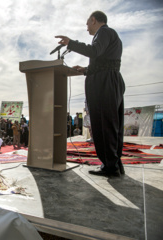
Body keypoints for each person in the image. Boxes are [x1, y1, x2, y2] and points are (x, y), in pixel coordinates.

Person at [56, 11, 125, 177]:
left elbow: (94, 52)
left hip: (105, 83)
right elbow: (105, 61)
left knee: (104, 124)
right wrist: (87, 70)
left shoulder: (105, 32)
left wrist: (71, 43)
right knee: (110, 124)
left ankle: (110, 167)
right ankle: (114, 163)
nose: (87, 27)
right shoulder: (107, 34)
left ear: (93, 20)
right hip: (107, 80)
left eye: (87, 23)